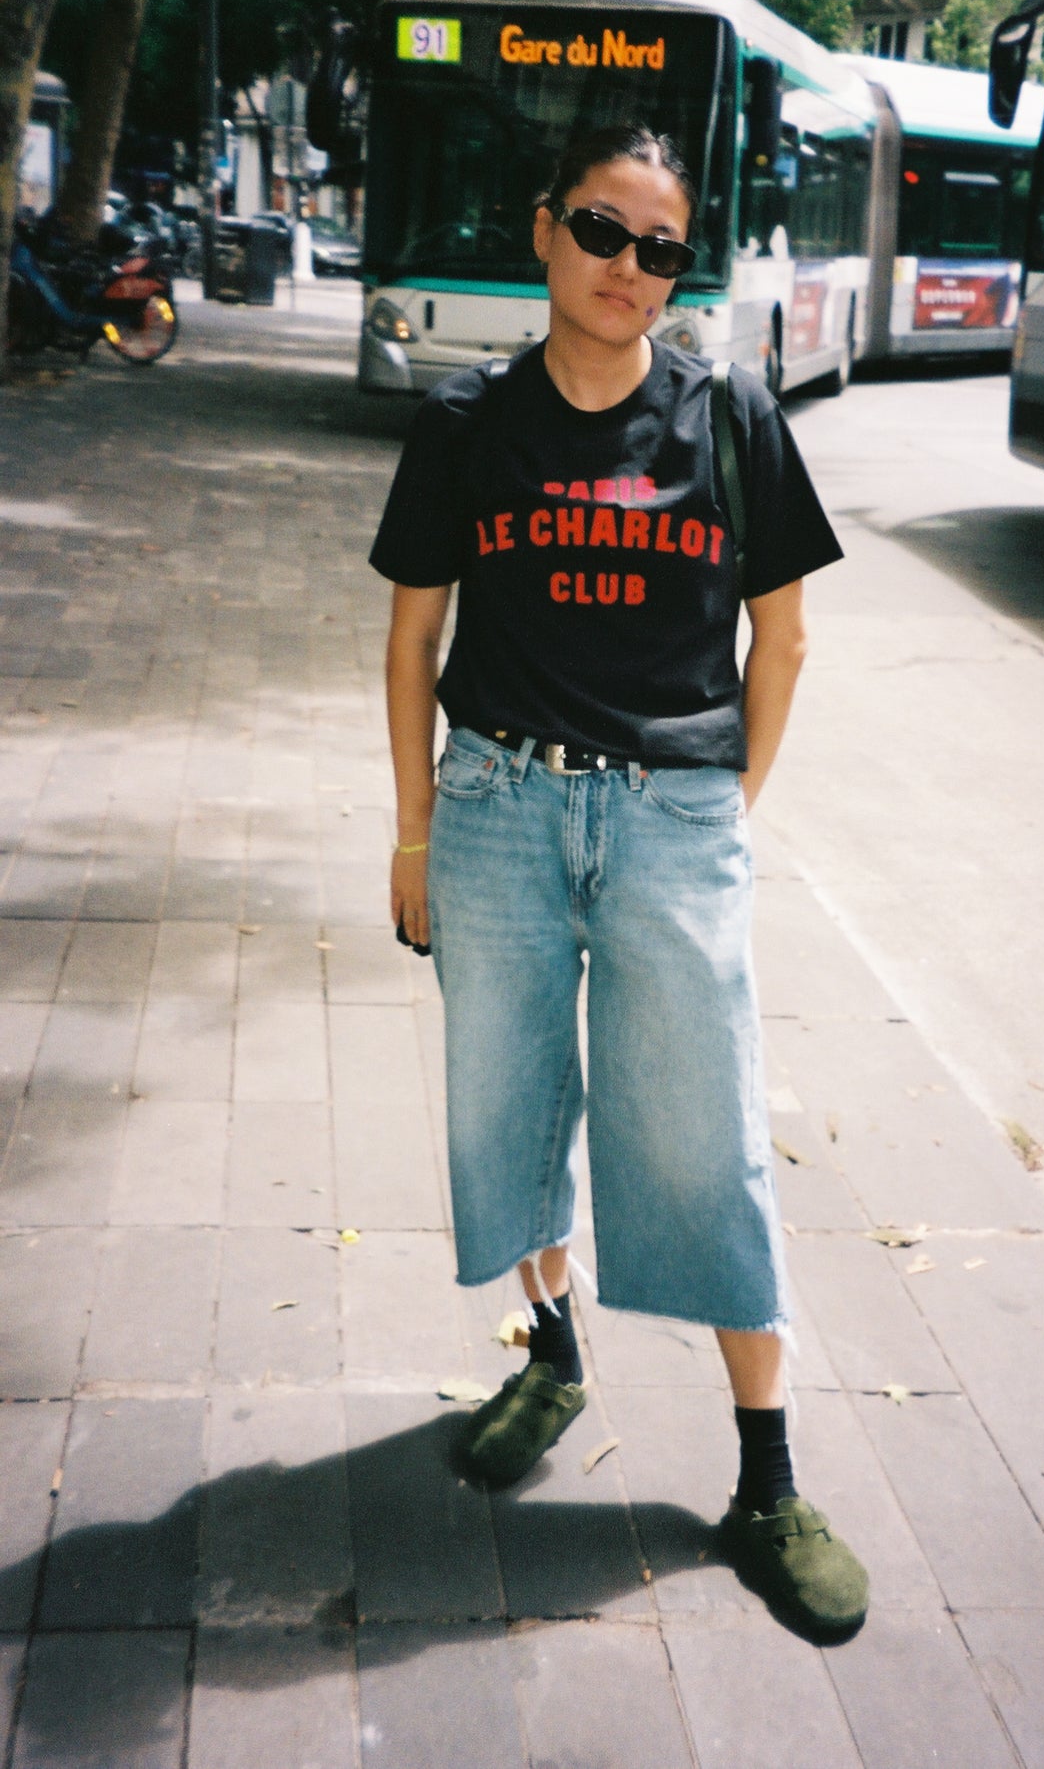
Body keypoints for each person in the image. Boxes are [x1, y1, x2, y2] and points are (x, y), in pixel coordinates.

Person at [370, 123, 868, 1635]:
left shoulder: (730, 415)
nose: (628, 267)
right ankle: (552, 1350)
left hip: (670, 819)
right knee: (507, 1111)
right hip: (497, 813)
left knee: (705, 1142)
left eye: (661, 248)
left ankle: (768, 1477)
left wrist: (714, 812)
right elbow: (415, 639)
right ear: (545, 230)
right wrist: (413, 833)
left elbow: (783, 640)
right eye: (601, 229)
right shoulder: (466, 423)